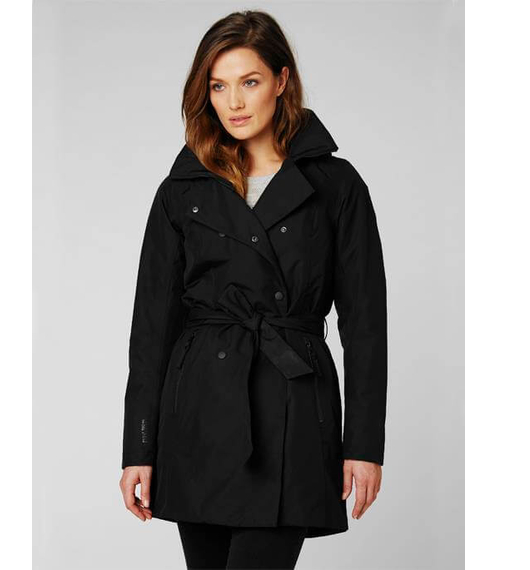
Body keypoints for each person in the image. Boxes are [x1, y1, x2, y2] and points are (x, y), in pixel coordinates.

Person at [119, 9, 388, 570]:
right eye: (219, 86)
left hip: (292, 406)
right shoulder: (183, 189)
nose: (234, 102)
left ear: (282, 81)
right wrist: (138, 447)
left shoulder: (335, 185)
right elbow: (152, 327)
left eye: (250, 81)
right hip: (199, 412)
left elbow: (366, 324)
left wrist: (363, 445)